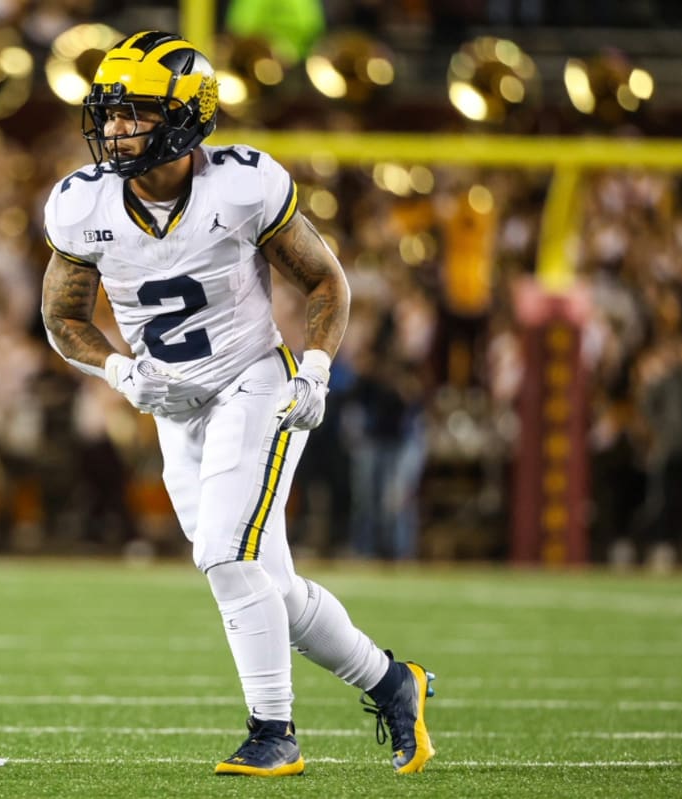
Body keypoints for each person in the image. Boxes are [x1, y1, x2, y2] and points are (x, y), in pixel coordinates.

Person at [39, 31, 436, 777]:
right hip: (174, 406)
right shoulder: (81, 204)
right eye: (112, 111)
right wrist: (119, 371)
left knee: (223, 551)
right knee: (268, 586)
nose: (117, 127)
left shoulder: (243, 185)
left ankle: (274, 732)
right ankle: (393, 682)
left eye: (137, 113)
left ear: (187, 118)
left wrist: (315, 367)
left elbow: (326, 282)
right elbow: (62, 319)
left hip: (254, 382)